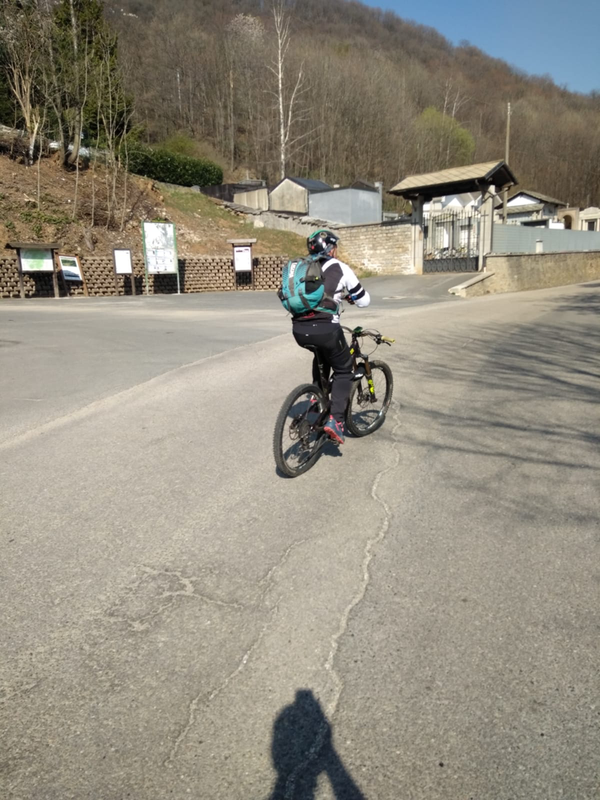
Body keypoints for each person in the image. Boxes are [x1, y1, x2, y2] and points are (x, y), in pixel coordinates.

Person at [292, 229, 370, 445]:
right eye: (336, 247)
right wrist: (351, 297)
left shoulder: (303, 267)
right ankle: (336, 420)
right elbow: (365, 301)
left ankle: (317, 397)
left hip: (299, 329)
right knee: (344, 369)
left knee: (321, 355)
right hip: (326, 328)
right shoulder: (340, 268)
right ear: (331, 248)